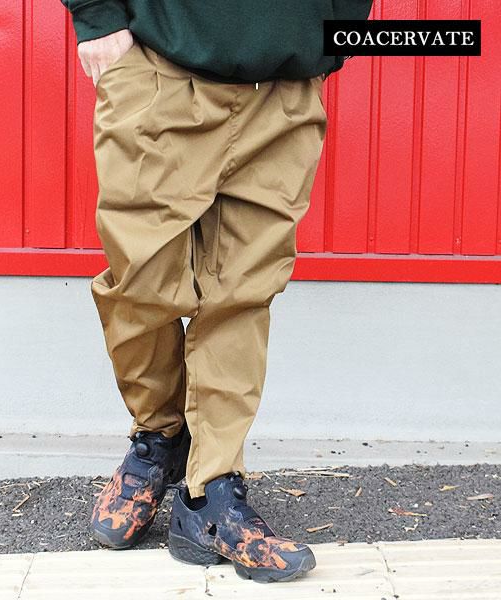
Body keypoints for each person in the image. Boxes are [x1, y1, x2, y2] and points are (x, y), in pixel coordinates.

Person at [60, 0, 373, 583]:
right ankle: (159, 437)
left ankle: (210, 493)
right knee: (141, 283)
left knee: (242, 296)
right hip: (160, 69)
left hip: (285, 90)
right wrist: (98, 17)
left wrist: (334, 35)